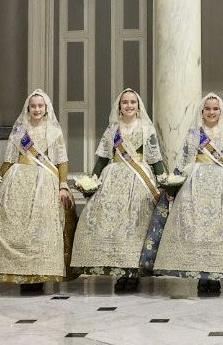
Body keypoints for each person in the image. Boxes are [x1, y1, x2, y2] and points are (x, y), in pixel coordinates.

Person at [0, 90, 72, 287]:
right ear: (28, 108)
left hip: (45, 181)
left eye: (40, 106)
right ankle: (18, 273)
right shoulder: (19, 131)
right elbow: (9, 159)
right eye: (33, 106)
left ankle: (39, 275)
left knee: (40, 227)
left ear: (46, 109)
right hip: (17, 179)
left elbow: (62, 161)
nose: (37, 109)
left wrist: (63, 185)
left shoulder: (53, 131)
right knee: (13, 224)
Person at [71, 88, 166, 292]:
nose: (129, 105)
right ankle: (119, 270)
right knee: (114, 228)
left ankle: (133, 272)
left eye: (133, 102)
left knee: (135, 228)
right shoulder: (112, 130)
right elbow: (103, 158)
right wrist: (92, 179)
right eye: (125, 102)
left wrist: (164, 182)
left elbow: (156, 159)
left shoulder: (146, 129)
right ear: (119, 106)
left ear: (138, 106)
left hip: (139, 181)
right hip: (112, 179)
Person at [154, 93, 223, 295]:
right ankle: (201, 277)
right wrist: (173, 183)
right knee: (197, 230)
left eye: (215, 109)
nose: (211, 112)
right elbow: (182, 161)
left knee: (218, 231)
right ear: (202, 111)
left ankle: (215, 276)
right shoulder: (193, 134)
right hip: (195, 184)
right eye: (208, 109)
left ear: (220, 111)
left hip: (222, 186)